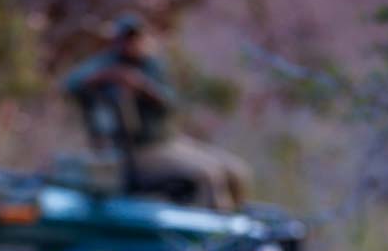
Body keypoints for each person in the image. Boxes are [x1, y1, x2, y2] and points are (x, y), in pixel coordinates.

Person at [63, 14, 252, 210]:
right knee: (208, 175)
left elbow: (171, 102)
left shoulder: (151, 66)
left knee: (235, 171)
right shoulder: (107, 63)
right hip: (137, 148)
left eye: (134, 39)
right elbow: (71, 84)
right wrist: (110, 77)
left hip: (167, 140)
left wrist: (142, 87)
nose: (130, 44)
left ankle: (238, 219)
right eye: (126, 39)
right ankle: (213, 226)